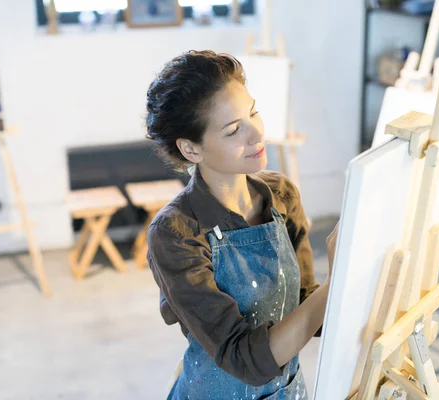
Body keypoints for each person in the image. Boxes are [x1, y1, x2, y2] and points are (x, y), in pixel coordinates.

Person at [145, 50, 339, 400]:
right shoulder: (176, 232)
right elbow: (245, 360)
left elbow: (306, 308)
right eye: (234, 130)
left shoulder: (281, 195)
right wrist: (339, 282)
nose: (256, 134)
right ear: (191, 149)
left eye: (253, 113)